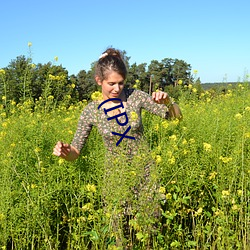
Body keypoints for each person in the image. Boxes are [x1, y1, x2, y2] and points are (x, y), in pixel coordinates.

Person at [53, 47, 182, 247]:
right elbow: (76, 151)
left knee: (150, 234)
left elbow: (175, 118)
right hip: (115, 180)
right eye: (111, 83)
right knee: (120, 237)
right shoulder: (91, 111)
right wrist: (65, 152)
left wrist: (169, 102)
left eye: (121, 83)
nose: (117, 88)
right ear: (99, 81)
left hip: (146, 175)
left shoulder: (135, 97)